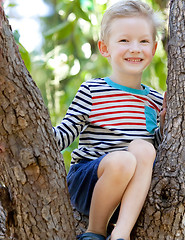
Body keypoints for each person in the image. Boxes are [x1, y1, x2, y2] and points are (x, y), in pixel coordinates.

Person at [52, 1, 166, 239]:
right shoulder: (92, 90)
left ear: (154, 48)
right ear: (105, 48)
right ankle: (95, 231)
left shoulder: (155, 100)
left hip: (132, 195)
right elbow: (63, 135)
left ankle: (120, 235)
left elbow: (156, 147)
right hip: (91, 182)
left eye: (143, 41)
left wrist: (165, 125)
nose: (135, 48)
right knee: (123, 160)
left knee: (143, 148)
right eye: (124, 40)